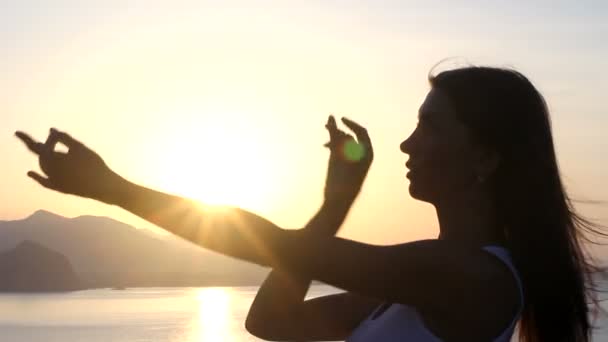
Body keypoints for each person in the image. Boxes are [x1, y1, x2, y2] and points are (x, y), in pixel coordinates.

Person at [16, 65, 604, 341]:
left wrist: (112, 189)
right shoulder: (406, 286)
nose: (406, 143)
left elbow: (267, 240)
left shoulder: (474, 278)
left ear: (485, 158)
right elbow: (270, 320)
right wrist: (333, 204)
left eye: (430, 127)